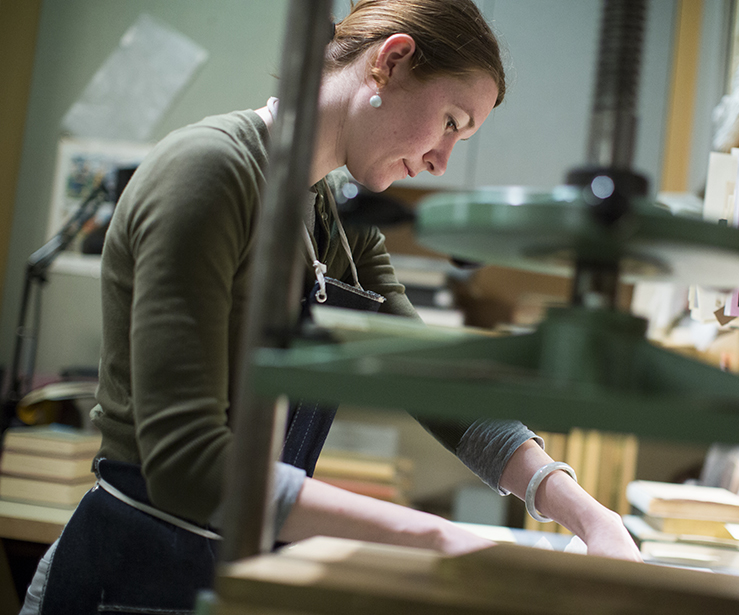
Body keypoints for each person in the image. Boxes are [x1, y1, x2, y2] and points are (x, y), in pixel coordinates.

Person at [21, 1, 641, 613]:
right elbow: (189, 465)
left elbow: (432, 380)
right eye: (451, 122)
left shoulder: (337, 220)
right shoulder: (211, 172)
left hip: (231, 567)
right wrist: (441, 538)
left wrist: (585, 513)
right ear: (390, 63)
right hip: (129, 569)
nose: (441, 160)